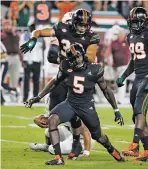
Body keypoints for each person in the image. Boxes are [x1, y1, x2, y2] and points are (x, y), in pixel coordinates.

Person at [24, 43, 125, 165]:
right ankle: (58, 158)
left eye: (77, 56)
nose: (75, 60)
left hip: (86, 106)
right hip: (70, 103)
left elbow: (106, 90)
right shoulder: (66, 66)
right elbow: (54, 82)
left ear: (83, 55)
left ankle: (111, 149)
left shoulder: (94, 69)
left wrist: (116, 110)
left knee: (98, 136)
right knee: (52, 120)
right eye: (72, 58)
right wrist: (38, 97)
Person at [20, 9, 100, 159]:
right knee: (51, 121)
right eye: (76, 24)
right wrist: (33, 39)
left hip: (80, 80)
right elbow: (38, 32)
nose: (81, 28)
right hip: (67, 76)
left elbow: (88, 58)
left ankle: (83, 147)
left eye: (84, 25)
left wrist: (86, 153)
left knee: (76, 115)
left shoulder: (90, 39)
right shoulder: (62, 29)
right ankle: (51, 140)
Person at [116, 7, 148, 161]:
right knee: (137, 116)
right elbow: (133, 60)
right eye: (133, 22)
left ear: (144, 22)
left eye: (137, 22)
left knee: (139, 110)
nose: (135, 25)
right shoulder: (131, 36)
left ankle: (135, 145)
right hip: (138, 78)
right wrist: (124, 75)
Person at [29, 113, 94, 157]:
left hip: (82, 139)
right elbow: (45, 117)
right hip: (70, 132)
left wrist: (86, 152)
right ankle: (47, 146)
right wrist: (38, 119)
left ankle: (79, 149)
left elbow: (86, 131)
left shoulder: (76, 108)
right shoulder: (64, 105)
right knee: (48, 131)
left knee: (52, 149)